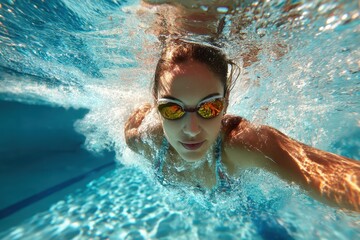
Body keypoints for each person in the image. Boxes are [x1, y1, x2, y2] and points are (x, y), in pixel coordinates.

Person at [124, 40, 360, 212]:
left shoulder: (242, 144)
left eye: (209, 108)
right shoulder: (140, 140)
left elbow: (324, 173)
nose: (192, 129)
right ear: (156, 106)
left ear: (225, 105)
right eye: (172, 109)